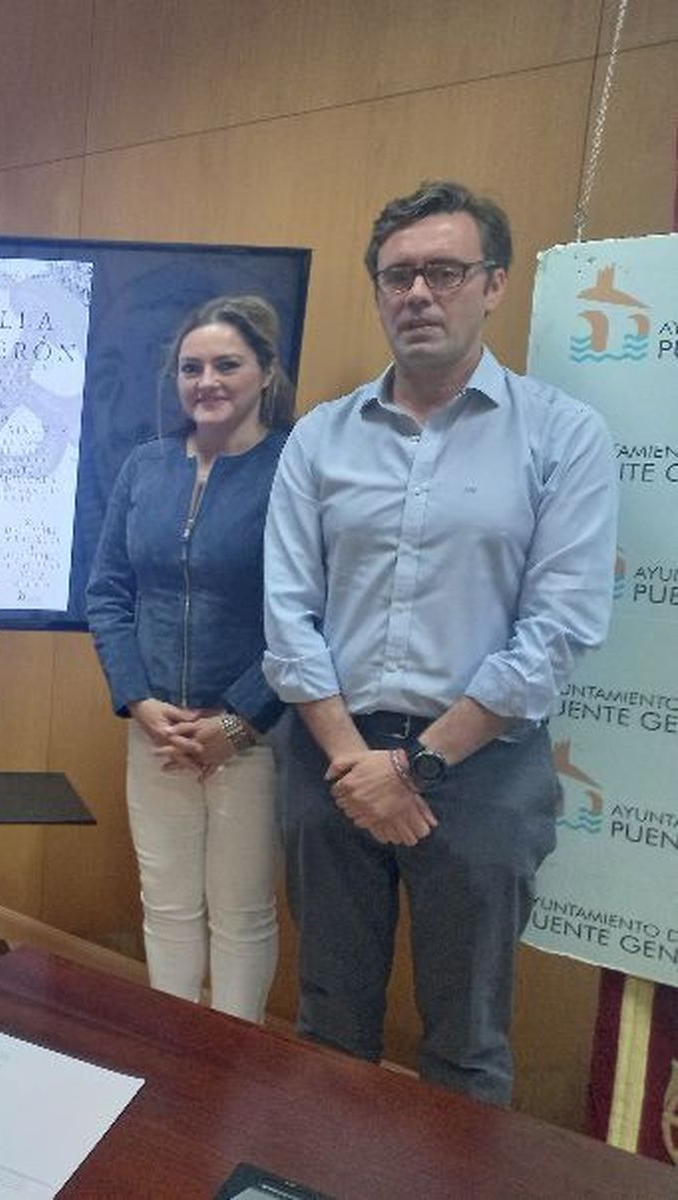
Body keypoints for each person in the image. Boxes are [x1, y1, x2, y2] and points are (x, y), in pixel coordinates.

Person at [263, 180, 617, 1105]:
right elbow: (288, 617)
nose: (418, 293)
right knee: (329, 1018)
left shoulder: (563, 436)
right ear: (378, 292)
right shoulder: (320, 439)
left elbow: (559, 629)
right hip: (331, 760)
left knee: (466, 1041)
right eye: (398, 276)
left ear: (493, 285)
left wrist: (415, 767)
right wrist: (356, 762)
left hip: (483, 771)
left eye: (445, 272)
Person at [86, 295, 294, 1023]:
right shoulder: (145, 467)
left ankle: (232, 1059)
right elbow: (108, 593)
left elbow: (310, 614)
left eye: (227, 364)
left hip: (252, 736)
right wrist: (140, 701)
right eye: (191, 367)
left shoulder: (292, 470)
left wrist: (237, 722)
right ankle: (174, 1053)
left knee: (241, 912)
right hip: (157, 732)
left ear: (266, 372)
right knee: (167, 903)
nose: (207, 381)